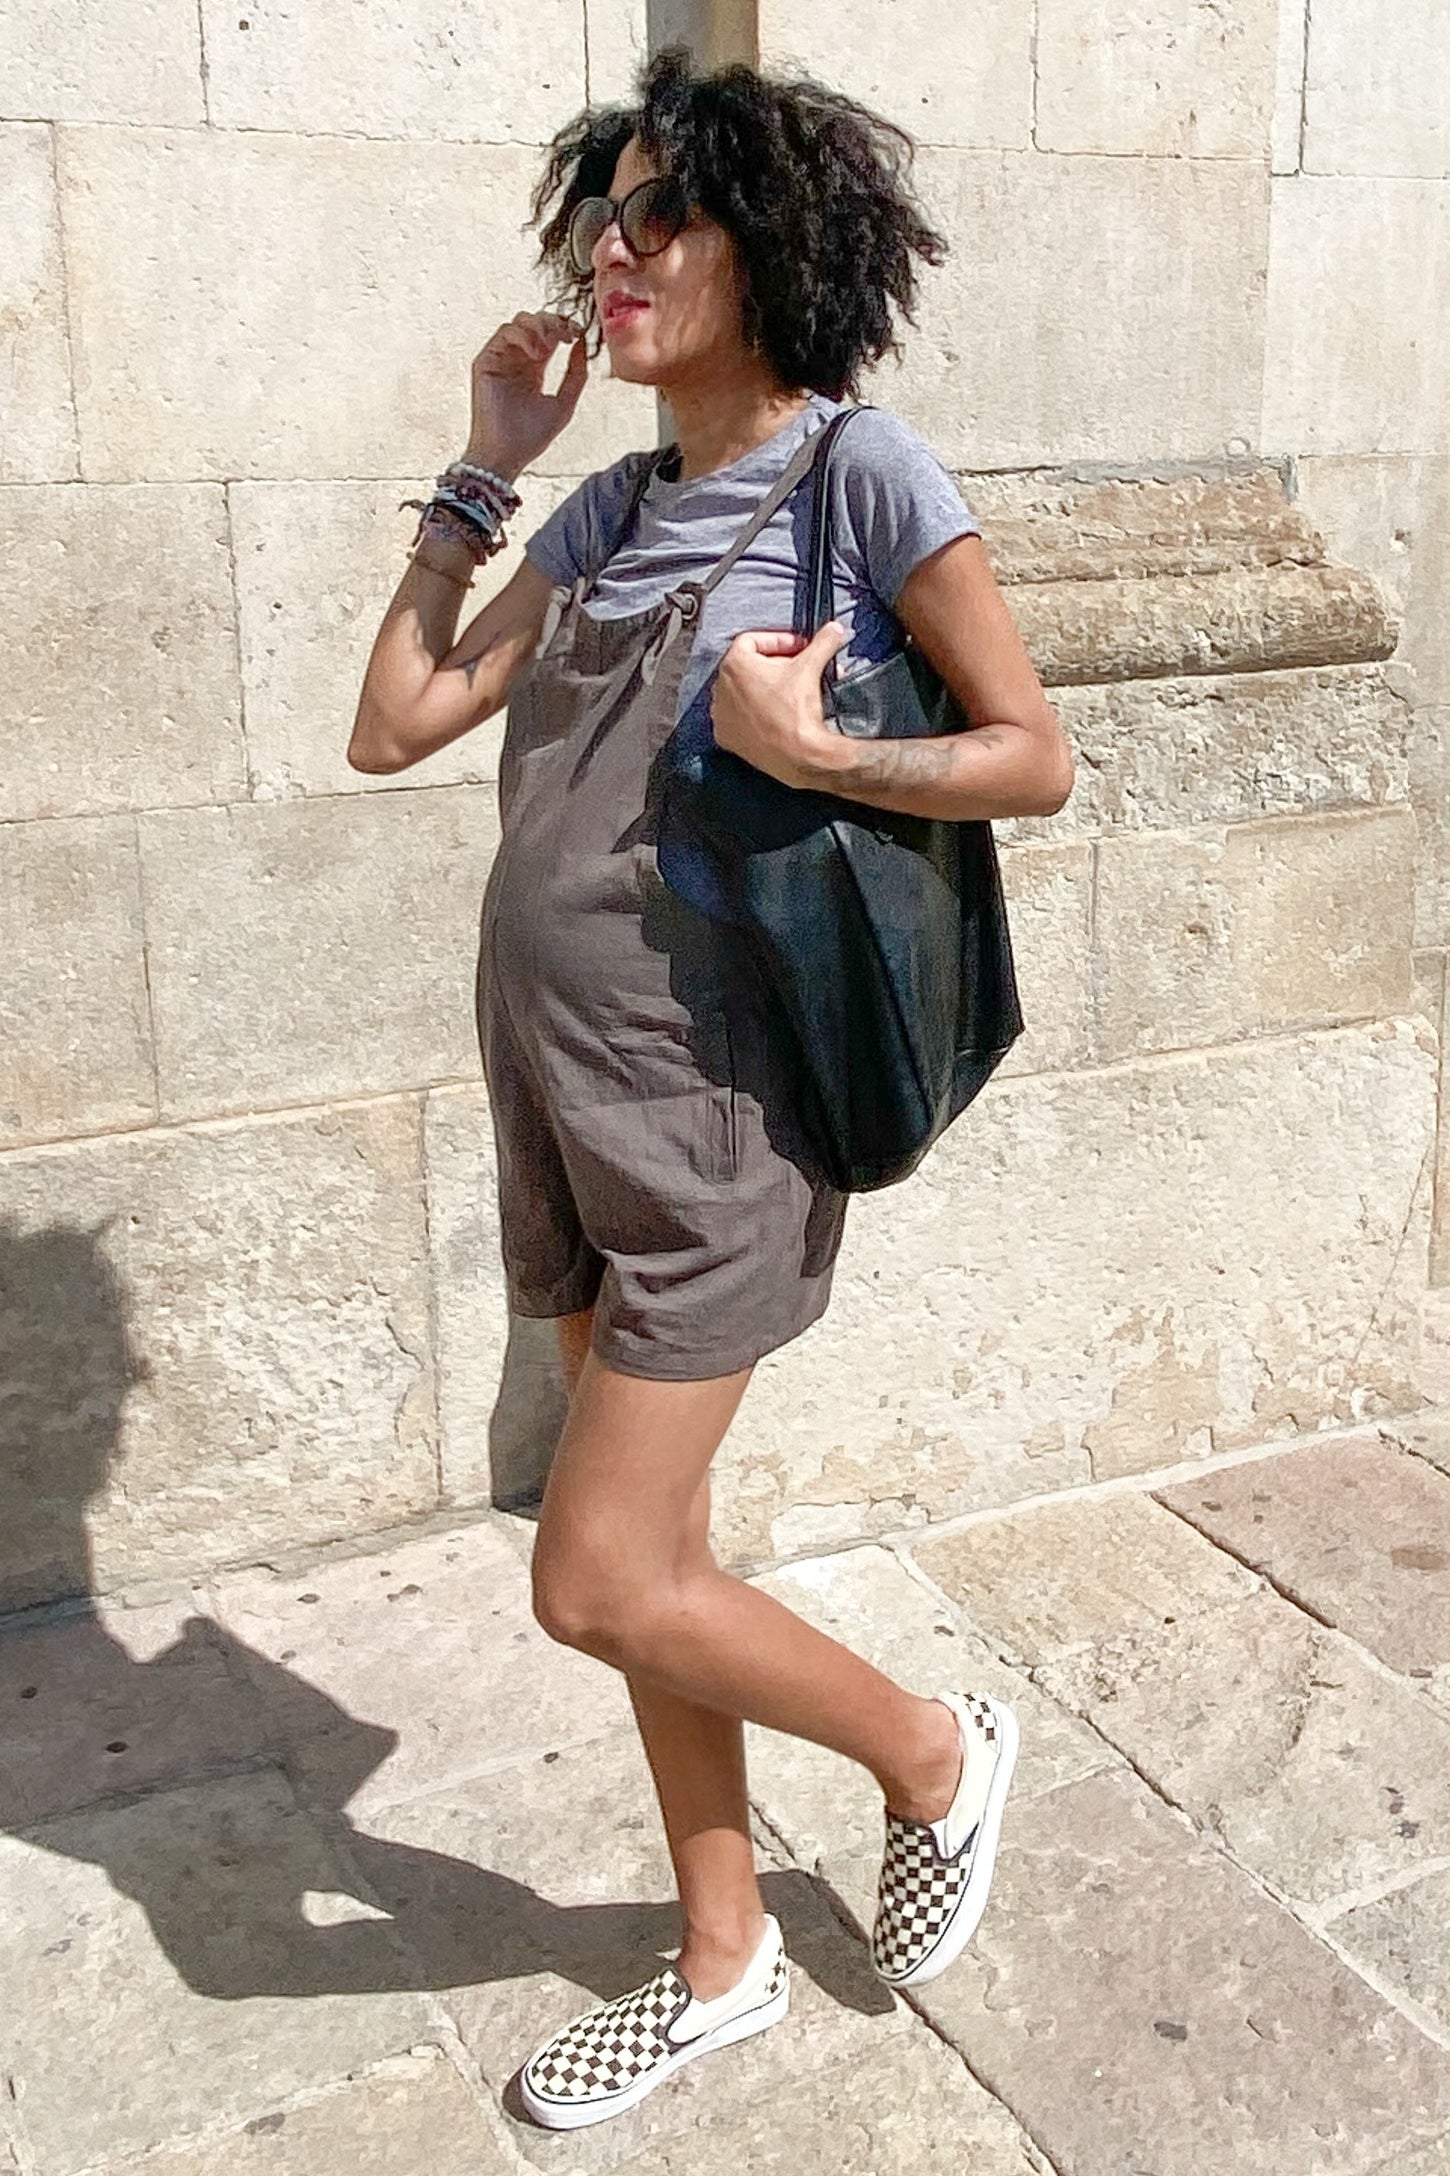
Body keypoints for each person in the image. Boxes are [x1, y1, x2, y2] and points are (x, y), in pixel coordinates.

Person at [349, 44, 1073, 2133]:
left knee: (592, 1574)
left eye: (665, 213)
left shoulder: (858, 478)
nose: (619, 249)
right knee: (656, 1566)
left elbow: (1029, 752)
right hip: (556, 1095)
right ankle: (722, 1952)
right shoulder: (608, 506)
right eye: (606, 216)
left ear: (775, 246)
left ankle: (928, 1751)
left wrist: (823, 754)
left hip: (715, 1119)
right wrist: (482, 468)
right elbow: (394, 719)